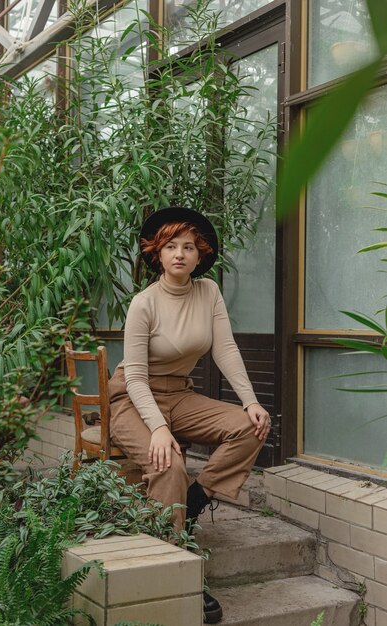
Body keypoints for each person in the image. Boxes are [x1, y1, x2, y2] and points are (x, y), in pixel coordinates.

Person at [109, 207, 271, 624]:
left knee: (249, 427)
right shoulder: (143, 304)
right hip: (131, 397)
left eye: (188, 247)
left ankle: (195, 500)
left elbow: (226, 350)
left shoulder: (208, 293)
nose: (179, 254)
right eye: (170, 246)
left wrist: (250, 400)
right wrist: (159, 430)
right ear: (156, 254)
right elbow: (138, 378)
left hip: (179, 395)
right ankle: (179, 566)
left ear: (200, 255)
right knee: (168, 463)